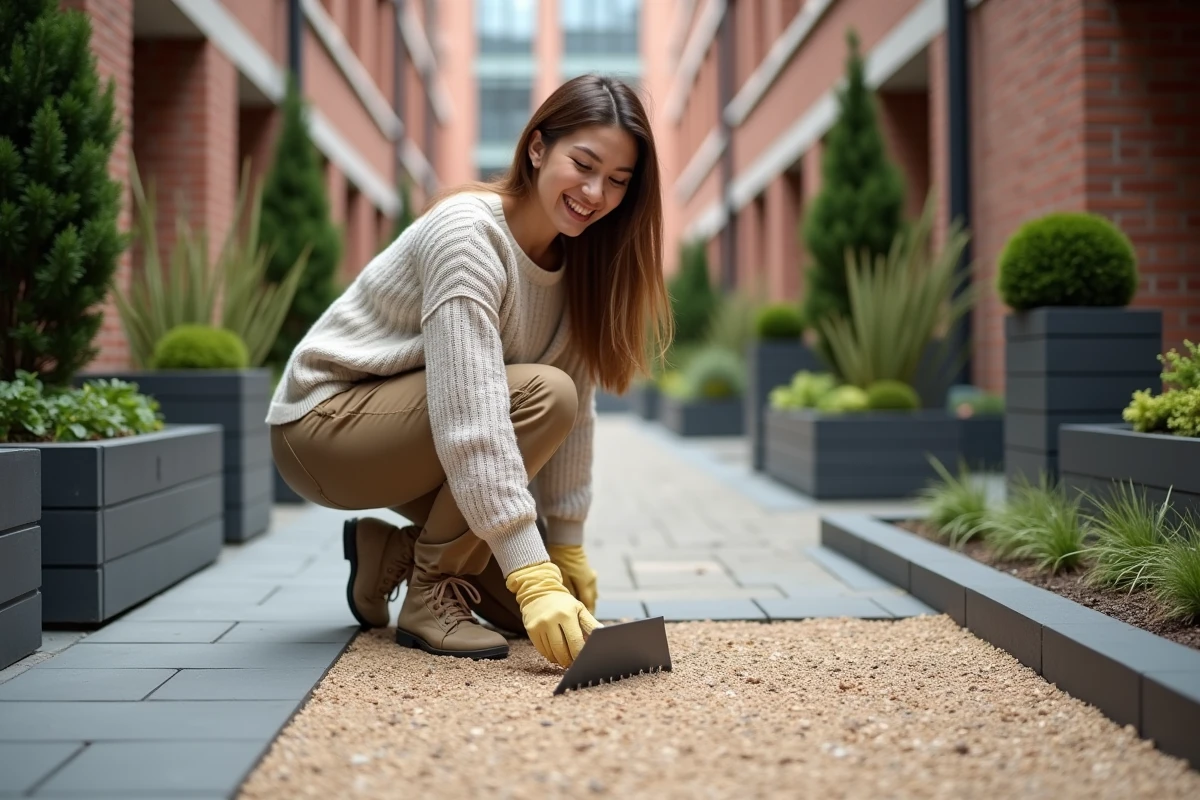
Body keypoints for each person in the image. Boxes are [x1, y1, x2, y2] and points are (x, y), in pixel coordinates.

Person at [266, 74, 672, 670]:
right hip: (324, 430)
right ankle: (429, 597)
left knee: (519, 618)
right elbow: (475, 414)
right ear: (537, 148)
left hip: (419, 438)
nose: (595, 192)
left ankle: (393, 555)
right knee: (544, 398)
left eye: (617, 181)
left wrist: (565, 546)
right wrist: (534, 574)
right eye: (583, 164)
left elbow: (578, 418)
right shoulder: (469, 233)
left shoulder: (586, 264)